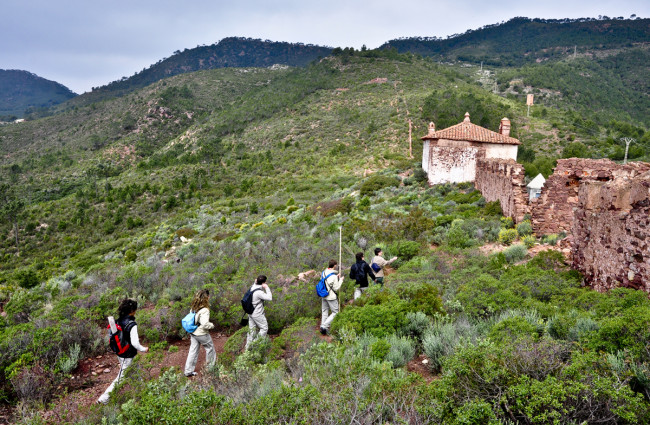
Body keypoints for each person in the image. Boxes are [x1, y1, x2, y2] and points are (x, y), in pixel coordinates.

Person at [98, 299, 148, 404]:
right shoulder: (132, 324)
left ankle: (142, 391)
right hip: (128, 354)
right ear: (132, 310)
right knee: (121, 377)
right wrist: (144, 349)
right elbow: (135, 343)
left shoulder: (118, 320)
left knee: (135, 371)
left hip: (121, 352)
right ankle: (104, 399)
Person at [184, 289, 216, 377]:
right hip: (201, 333)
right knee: (210, 349)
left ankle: (188, 371)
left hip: (193, 332)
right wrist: (212, 325)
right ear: (207, 298)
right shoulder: (205, 310)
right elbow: (205, 324)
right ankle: (210, 370)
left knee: (193, 351)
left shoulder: (194, 307)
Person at [246, 275, 272, 349]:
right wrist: (266, 288)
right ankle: (255, 344)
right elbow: (269, 298)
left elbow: (256, 284)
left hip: (250, 312)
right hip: (257, 313)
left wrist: (256, 282)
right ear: (264, 282)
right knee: (264, 328)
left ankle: (248, 347)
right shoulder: (258, 292)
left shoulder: (252, 287)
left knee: (252, 329)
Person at [320, 259, 344, 335]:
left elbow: (327, 281)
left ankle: (323, 327)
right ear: (334, 266)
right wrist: (341, 280)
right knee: (335, 312)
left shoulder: (323, 272)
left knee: (324, 311)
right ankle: (324, 326)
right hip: (331, 297)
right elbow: (336, 288)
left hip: (324, 295)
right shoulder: (333, 276)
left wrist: (336, 277)